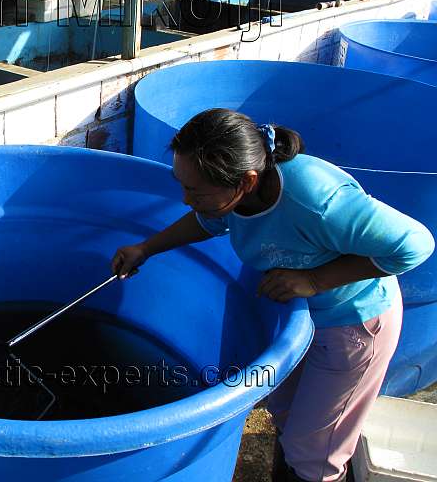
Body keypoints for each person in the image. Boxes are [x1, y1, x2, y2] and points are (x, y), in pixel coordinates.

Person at [111, 108, 434, 482]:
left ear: (246, 181)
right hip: (302, 320)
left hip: (353, 323)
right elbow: (208, 220)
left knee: (316, 452)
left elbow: (415, 244)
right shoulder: (237, 194)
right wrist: (147, 248)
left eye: (195, 190)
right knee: (285, 412)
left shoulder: (317, 200)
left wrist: (315, 280)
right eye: (182, 185)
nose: (185, 198)